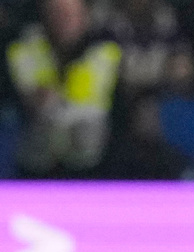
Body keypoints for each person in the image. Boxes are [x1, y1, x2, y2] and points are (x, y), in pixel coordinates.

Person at [5, 0, 123, 178]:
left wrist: (51, 102)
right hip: (36, 153)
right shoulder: (23, 47)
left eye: (70, 14)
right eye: (57, 13)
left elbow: (93, 107)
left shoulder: (105, 49)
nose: (64, 20)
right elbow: (30, 98)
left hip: (89, 153)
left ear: (85, 16)